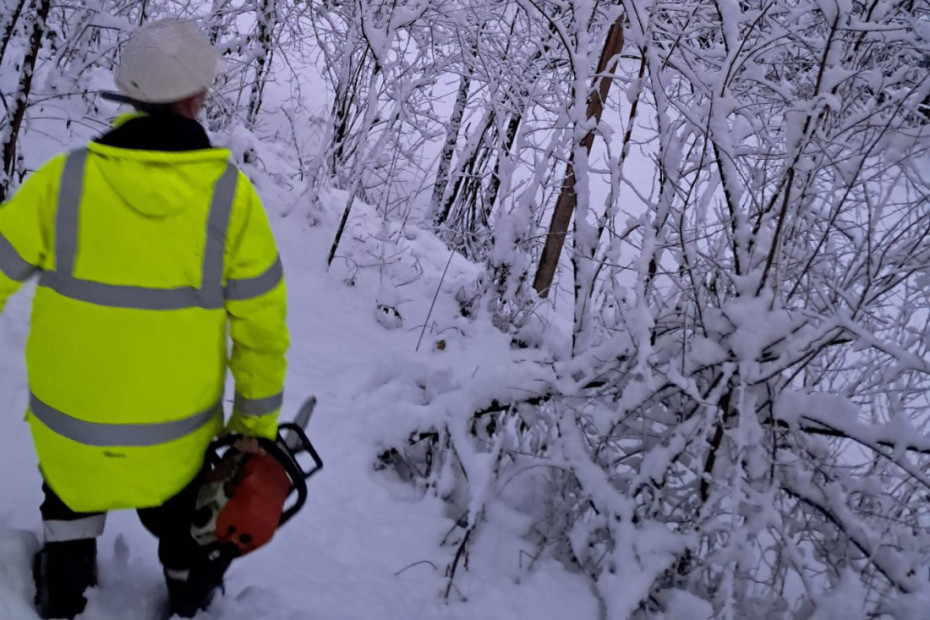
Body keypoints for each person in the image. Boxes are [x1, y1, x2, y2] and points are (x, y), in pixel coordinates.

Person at [0, 18, 289, 619]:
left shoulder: (63, 182)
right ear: (195, 97)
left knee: (69, 503)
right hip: (175, 447)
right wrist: (253, 427)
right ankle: (188, 595)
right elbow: (261, 331)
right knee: (182, 522)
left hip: (70, 436)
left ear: (130, 92)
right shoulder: (231, 199)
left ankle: (64, 592)